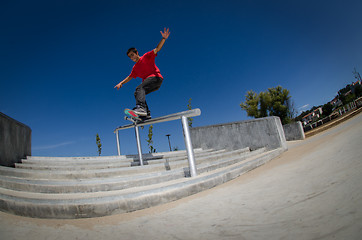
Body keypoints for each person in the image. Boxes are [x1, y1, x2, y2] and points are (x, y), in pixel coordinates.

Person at [114, 28, 170, 119]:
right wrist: (121, 83)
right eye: (130, 57)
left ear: (137, 53)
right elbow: (129, 77)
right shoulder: (135, 68)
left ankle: (141, 109)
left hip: (156, 78)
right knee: (137, 93)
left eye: (132, 55)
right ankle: (146, 114)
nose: (132, 58)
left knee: (140, 88)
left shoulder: (146, 56)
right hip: (153, 85)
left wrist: (163, 39)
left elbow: (157, 49)